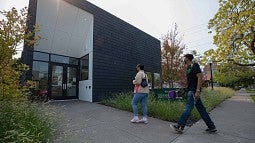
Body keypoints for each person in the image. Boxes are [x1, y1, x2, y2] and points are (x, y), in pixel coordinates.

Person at [170, 54, 217, 133]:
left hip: (194, 91)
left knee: (188, 108)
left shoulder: (194, 65)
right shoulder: (188, 68)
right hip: (191, 90)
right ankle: (211, 127)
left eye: (184, 58)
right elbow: (192, 81)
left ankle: (179, 126)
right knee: (202, 110)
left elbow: (200, 77)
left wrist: (197, 91)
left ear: (187, 59)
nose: (183, 59)